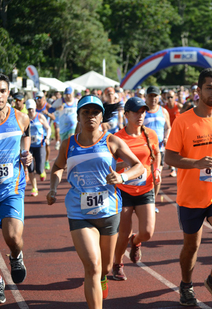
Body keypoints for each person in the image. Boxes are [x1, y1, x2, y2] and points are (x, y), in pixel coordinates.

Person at [46, 95, 143, 307]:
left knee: (105, 267)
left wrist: (122, 177)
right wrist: (53, 188)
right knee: (92, 265)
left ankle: (103, 278)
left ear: (101, 117)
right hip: (80, 212)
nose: (90, 116)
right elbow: (57, 167)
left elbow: (138, 166)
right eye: (86, 112)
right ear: (78, 117)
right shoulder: (68, 144)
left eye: (95, 112)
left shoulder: (111, 141)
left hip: (108, 211)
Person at [164, 68, 212, 306]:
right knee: (192, 246)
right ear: (199, 90)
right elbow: (169, 158)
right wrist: (197, 163)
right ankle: (186, 284)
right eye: (210, 87)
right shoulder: (183, 121)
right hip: (190, 196)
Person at [112, 97, 161, 280]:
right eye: (136, 112)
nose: (140, 115)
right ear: (126, 115)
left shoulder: (150, 135)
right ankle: (117, 264)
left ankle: (136, 241)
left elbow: (156, 156)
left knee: (147, 232)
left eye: (143, 111)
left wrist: (156, 170)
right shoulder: (116, 138)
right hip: (124, 190)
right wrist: (124, 166)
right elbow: (109, 166)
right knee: (122, 234)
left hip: (145, 189)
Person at [0, 73, 33, 303]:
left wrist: (26, 154)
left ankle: (16, 255)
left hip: (11, 187)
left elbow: (27, 134)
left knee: (13, 236)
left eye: (2, 90)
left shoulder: (20, 118)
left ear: (8, 93)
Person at [143, 86, 171, 201]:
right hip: (145, 150)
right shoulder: (142, 112)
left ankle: (152, 201)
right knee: (146, 176)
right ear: (146, 97)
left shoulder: (163, 111)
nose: (153, 98)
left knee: (157, 176)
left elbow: (168, 128)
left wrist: (166, 138)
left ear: (159, 97)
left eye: (155, 96)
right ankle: (144, 199)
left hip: (159, 150)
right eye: (150, 96)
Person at [25, 99, 51, 196]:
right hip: (29, 146)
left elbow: (48, 128)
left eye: (32, 109)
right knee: (30, 168)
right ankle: (34, 187)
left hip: (40, 145)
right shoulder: (25, 118)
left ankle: (42, 170)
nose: (30, 111)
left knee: (39, 169)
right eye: (28, 109)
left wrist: (47, 138)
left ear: (35, 108)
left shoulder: (40, 116)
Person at [35, 91, 55, 170]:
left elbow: (53, 117)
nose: (38, 99)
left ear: (43, 98)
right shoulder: (35, 106)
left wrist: (47, 113)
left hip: (46, 130)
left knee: (46, 145)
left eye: (40, 97)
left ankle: (46, 160)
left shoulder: (47, 106)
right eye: (37, 98)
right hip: (38, 130)